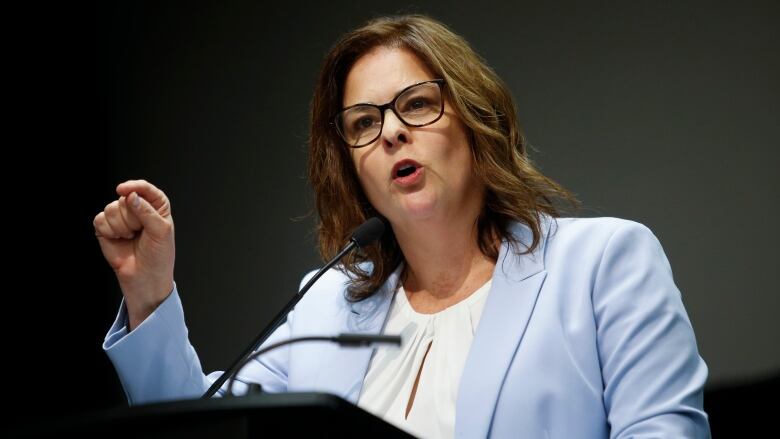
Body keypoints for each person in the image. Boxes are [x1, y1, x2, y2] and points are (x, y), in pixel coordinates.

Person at [95, 14, 710, 438]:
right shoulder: (325, 306)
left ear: (475, 119)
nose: (390, 131)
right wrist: (147, 293)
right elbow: (204, 431)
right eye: (364, 122)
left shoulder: (603, 264)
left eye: (416, 104)